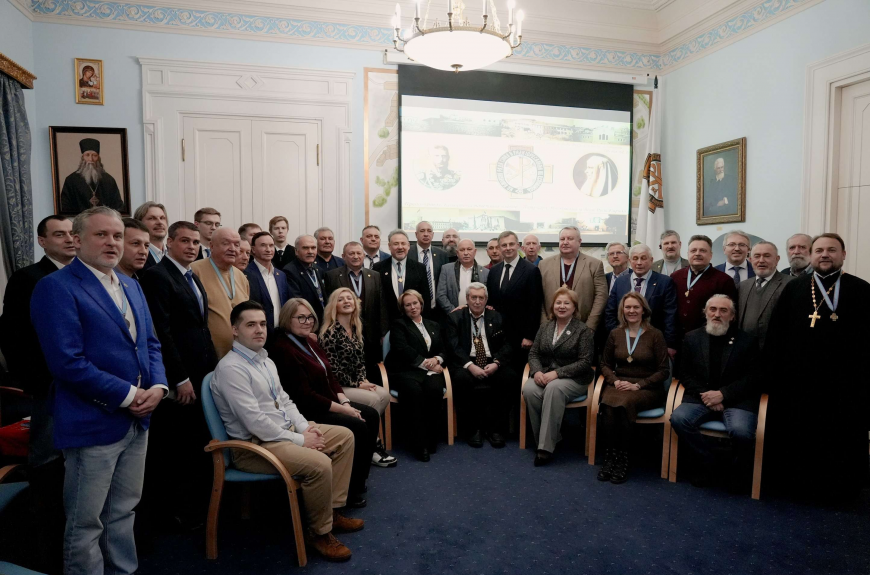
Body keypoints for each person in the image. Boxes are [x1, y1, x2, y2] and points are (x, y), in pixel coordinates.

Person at [31, 206, 168, 575]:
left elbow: (150, 344)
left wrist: (158, 387)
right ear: (77, 240)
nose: (112, 242)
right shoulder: (55, 287)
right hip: (92, 422)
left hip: (138, 420)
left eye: (117, 236)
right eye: (101, 234)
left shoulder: (131, 284)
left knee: (123, 512)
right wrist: (130, 396)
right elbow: (67, 362)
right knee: (86, 522)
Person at [210, 301, 361, 562]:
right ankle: (319, 533)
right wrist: (301, 440)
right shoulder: (231, 368)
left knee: (345, 437)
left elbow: (286, 401)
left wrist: (305, 428)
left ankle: (331, 513)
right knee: (319, 463)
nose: (259, 330)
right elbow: (254, 422)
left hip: (281, 433)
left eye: (262, 324)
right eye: (250, 325)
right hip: (253, 447)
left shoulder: (265, 360)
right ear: (234, 330)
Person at [763, 233, 870, 500]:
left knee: (840, 436)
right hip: (798, 382)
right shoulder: (794, 288)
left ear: (843, 255)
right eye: (819, 250)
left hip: (845, 384)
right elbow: (776, 336)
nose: (825, 255)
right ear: (812, 256)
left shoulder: (861, 289)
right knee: (799, 435)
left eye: (831, 250)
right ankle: (797, 488)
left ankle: (840, 491)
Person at [0, 215, 74, 573]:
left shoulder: (85, 275)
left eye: (72, 233)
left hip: (80, 386)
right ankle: (45, 536)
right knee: (47, 460)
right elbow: (13, 335)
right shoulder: (28, 277)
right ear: (43, 241)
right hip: (48, 384)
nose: (69, 239)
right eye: (59, 234)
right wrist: (36, 379)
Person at [139, 220, 218, 533]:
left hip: (202, 369)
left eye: (195, 242)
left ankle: (195, 507)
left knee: (197, 439)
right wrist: (179, 377)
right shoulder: (157, 276)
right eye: (185, 241)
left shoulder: (191, 275)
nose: (191, 247)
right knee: (180, 445)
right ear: (169, 243)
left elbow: (201, 327)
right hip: (180, 376)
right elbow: (162, 332)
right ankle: (178, 512)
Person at [269, 298, 378, 507]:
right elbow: (305, 396)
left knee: (370, 415)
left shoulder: (310, 341)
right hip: (308, 409)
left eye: (310, 317)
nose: (307, 321)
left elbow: (331, 377)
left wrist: (345, 403)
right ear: (287, 319)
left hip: (328, 402)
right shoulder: (283, 348)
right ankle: (348, 491)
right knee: (358, 425)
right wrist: (344, 411)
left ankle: (357, 481)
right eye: (301, 317)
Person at [670, 295, 759, 488]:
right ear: (705, 313)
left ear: (732, 316)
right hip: (701, 397)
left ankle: (735, 472)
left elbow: (752, 378)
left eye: (723, 310)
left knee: (742, 431)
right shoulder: (692, 338)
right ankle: (708, 460)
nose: (717, 314)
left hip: (737, 399)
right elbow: (684, 373)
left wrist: (723, 395)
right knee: (679, 418)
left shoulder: (747, 341)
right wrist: (707, 395)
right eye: (713, 309)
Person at [597, 292, 670, 483]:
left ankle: (623, 458)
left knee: (624, 403)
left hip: (647, 387)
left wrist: (639, 385)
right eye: (628, 307)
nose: (632, 311)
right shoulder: (615, 333)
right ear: (622, 310)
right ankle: (611, 456)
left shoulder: (655, 335)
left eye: (636, 307)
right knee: (607, 403)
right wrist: (614, 381)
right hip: (619, 384)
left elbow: (664, 371)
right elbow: (604, 364)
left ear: (643, 310)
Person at [319, 288, 397, 467]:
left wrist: (363, 380)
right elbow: (333, 371)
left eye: (350, 298)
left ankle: (365, 440)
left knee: (384, 394)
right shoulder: (329, 333)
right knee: (373, 400)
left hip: (354, 383)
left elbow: (360, 362)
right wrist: (357, 384)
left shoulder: (355, 329)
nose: (347, 301)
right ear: (334, 306)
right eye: (341, 299)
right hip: (337, 387)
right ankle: (373, 447)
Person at [521, 287, 595, 466]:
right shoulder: (545, 327)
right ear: (552, 306)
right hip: (545, 374)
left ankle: (545, 449)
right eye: (558, 303)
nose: (562, 306)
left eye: (566, 303)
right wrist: (537, 372)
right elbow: (534, 354)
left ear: (574, 308)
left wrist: (557, 373)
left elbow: (585, 362)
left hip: (574, 378)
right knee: (529, 389)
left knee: (554, 389)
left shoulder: (583, 330)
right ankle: (550, 438)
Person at [444, 282, 516, 448]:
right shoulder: (455, 318)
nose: (477, 301)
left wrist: (497, 363)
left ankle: (495, 429)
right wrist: (470, 365)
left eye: (481, 298)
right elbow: (453, 346)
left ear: (486, 300)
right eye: (473, 297)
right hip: (466, 362)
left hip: (492, 361)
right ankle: (473, 429)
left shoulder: (497, 317)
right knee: (461, 379)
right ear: (467, 299)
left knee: (510, 377)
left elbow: (508, 345)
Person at [383, 290, 447, 462]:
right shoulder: (399, 325)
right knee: (414, 392)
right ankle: (419, 444)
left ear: (421, 304)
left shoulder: (433, 325)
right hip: (404, 370)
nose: (412, 307)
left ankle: (431, 438)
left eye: (415, 303)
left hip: (430, 371)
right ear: (403, 308)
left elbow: (443, 349)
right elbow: (402, 349)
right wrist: (428, 363)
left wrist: (437, 359)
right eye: (408, 305)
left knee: (434, 390)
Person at [324, 241, 389, 377]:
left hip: (371, 334)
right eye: (351, 253)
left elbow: (382, 305)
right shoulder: (332, 276)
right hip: (344, 332)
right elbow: (329, 305)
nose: (355, 256)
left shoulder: (374, 275)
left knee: (371, 370)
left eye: (359, 253)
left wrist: (383, 332)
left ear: (363, 255)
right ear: (343, 256)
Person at [605, 244, 678, 356]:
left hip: (654, 342)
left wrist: (670, 344)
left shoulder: (664, 282)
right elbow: (610, 312)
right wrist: (617, 336)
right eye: (635, 258)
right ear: (630, 261)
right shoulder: (620, 282)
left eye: (643, 258)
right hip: (624, 340)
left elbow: (670, 315)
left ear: (651, 260)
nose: (639, 262)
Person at [487, 231, 544, 369]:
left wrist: (529, 336)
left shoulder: (531, 270)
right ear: (499, 248)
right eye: (504, 245)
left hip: (521, 337)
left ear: (518, 246)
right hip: (497, 336)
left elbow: (535, 305)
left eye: (511, 244)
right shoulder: (494, 271)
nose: (508, 248)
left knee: (516, 374)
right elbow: (491, 301)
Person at [190, 227, 250, 358]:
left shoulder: (241, 276)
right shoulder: (194, 271)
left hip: (240, 356)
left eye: (236, 245)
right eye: (226, 243)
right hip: (207, 356)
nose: (232, 249)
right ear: (211, 246)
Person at [670, 235, 738, 341]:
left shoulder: (724, 280)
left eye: (702, 250)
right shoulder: (675, 277)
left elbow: (729, 314)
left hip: (707, 340)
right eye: (693, 250)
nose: (697, 254)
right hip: (677, 339)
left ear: (710, 255)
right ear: (688, 254)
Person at [539, 226, 606, 330]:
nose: (565, 242)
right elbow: (538, 296)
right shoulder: (544, 265)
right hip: (551, 326)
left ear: (579, 242)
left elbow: (601, 296)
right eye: (562, 239)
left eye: (570, 239)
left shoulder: (594, 265)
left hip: (583, 326)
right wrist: (545, 325)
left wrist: (589, 327)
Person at [737, 241, 792, 349]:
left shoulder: (791, 284)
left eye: (767, 256)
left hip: (777, 350)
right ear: (750, 260)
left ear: (777, 259)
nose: (761, 260)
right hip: (745, 351)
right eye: (757, 256)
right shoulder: (742, 286)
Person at [373, 230, 431, 324]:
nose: (400, 247)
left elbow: (425, 299)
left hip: (414, 323)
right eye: (396, 244)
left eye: (403, 243)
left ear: (408, 246)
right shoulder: (378, 268)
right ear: (389, 246)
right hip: (389, 323)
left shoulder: (419, 268)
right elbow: (376, 300)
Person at [244, 231, 291, 340]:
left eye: (271, 245)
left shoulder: (281, 275)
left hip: (281, 334)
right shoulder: (246, 274)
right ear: (253, 249)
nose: (268, 249)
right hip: (258, 335)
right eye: (263, 245)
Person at [60, 138, 125, 214]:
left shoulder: (109, 180)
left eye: (94, 155)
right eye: (87, 155)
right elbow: (65, 207)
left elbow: (118, 207)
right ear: (82, 158)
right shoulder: (71, 180)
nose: (91, 159)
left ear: (98, 158)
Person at [436, 239, 490, 314]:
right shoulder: (446, 269)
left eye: (469, 249)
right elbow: (441, 295)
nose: (466, 253)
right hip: (452, 314)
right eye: (462, 250)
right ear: (457, 253)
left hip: (477, 315)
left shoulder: (485, 272)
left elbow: (487, 296)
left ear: (475, 252)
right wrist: (454, 312)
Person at [284, 234, 329, 323]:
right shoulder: (290, 271)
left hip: (323, 321)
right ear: (296, 251)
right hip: (306, 322)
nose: (310, 251)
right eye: (305, 248)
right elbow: (297, 302)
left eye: (313, 248)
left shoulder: (319, 269)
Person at [408, 221, 448, 318]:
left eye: (429, 231)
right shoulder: (408, 253)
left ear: (433, 234)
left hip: (437, 309)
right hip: (413, 309)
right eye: (422, 231)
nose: (426, 234)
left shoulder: (442, 254)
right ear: (416, 234)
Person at [133, 201, 168, 271]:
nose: (159, 222)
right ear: (139, 223)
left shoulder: (173, 254)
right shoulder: (136, 255)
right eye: (152, 218)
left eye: (162, 218)